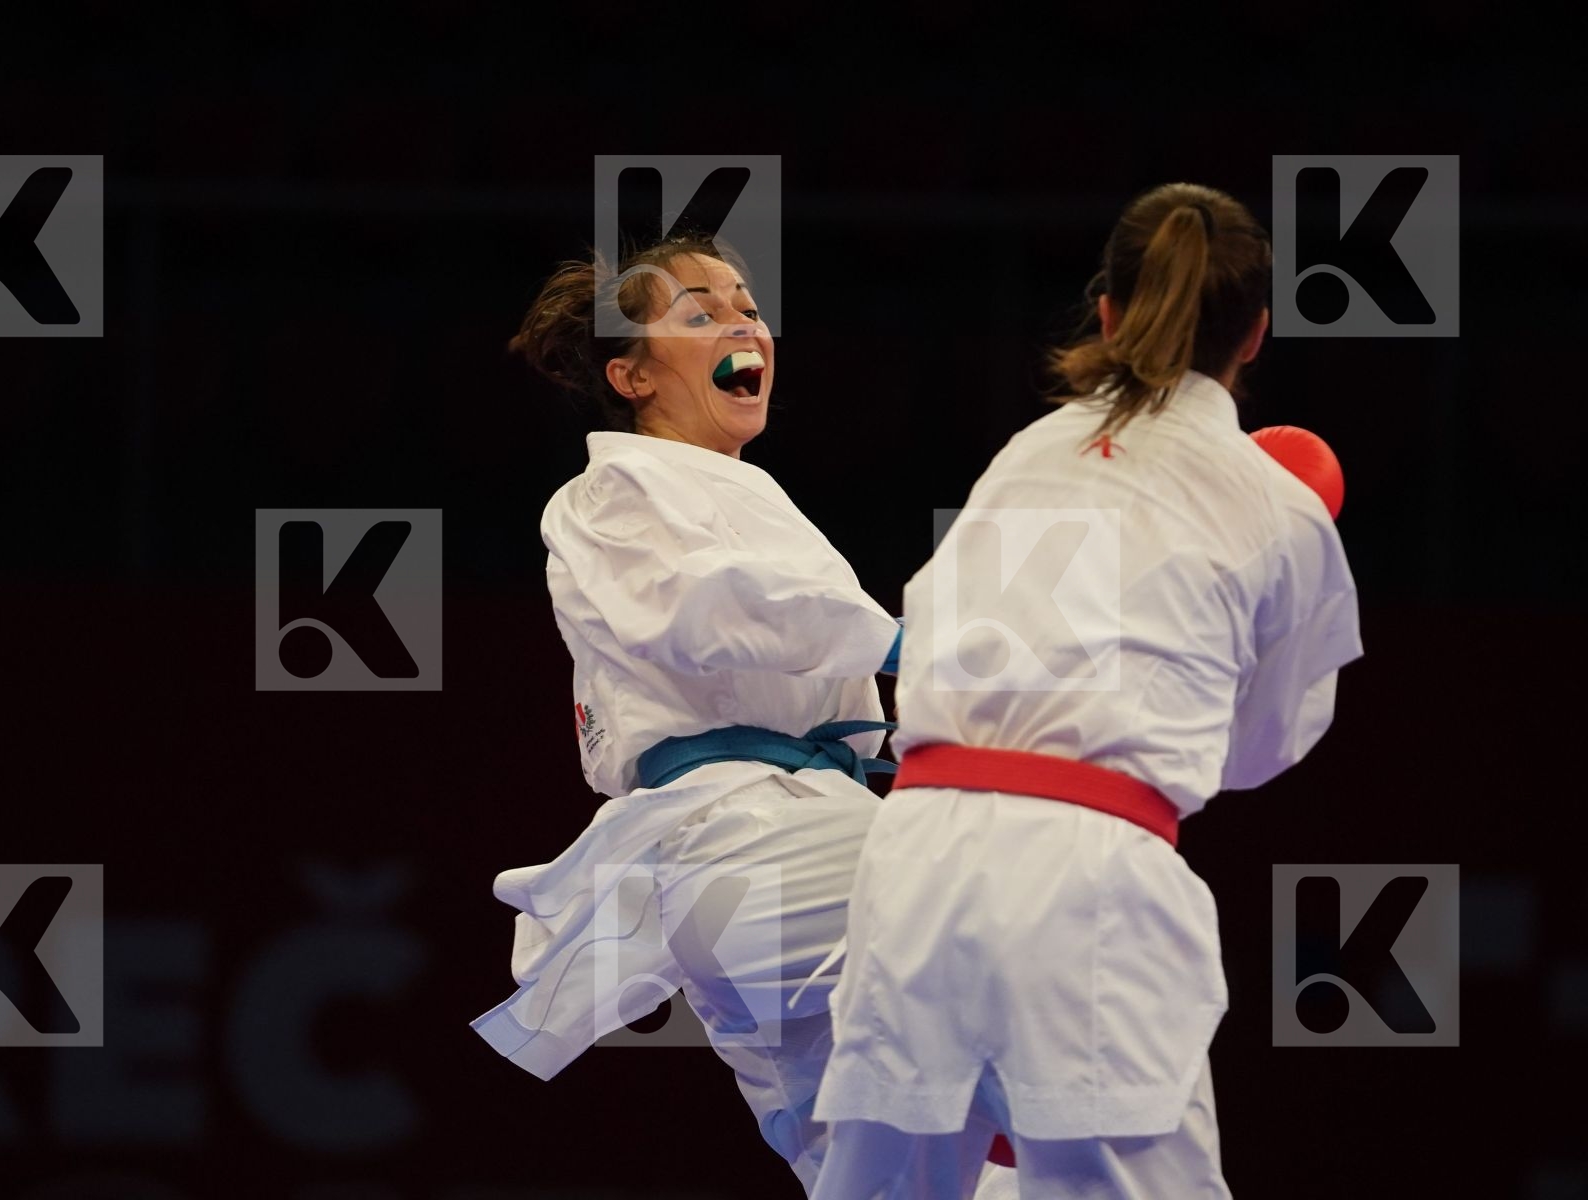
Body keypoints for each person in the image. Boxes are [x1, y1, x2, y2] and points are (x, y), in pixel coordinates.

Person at [810, 183, 1364, 1198]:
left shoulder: (1022, 456)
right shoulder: (1277, 505)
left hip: (917, 856)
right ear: (1257, 335)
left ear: (1105, 311)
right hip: (1086, 875)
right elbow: (1260, 747)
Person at [472, 233, 1009, 1196]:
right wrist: (902, 646)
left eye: (747, 305)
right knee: (996, 953)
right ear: (630, 373)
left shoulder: (741, 495)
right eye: (701, 310)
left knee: (880, 1163)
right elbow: (710, 609)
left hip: (777, 841)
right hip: (743, 828)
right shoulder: (610, 491)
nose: (742, 321)